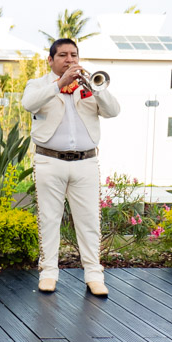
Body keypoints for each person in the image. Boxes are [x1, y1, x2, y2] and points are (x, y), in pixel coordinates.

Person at [21, 37, 121, 296]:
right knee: (49, 219)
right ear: (51, 60)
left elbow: (113, 111)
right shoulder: (38, 85)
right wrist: (59, 84)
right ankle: (48, 273)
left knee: (89, 222)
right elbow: (28, 103)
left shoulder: (89, 84)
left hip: (86, 162)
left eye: (73, 55)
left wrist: (98, 89)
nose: (70, 59)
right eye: (63, 55)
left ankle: (94, 275)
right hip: (49, 160)